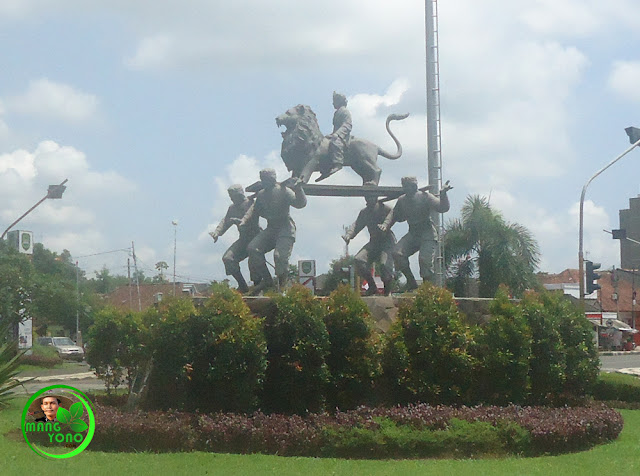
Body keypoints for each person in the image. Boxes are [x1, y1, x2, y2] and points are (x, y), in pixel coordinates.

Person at [240, 169, 307, 294]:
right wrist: (244, 220)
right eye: (263, 179)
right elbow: (254, 209)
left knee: (279, 257)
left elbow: (300, 204)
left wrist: (298, 189)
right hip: (271, 229)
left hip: (285, 228)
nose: (266, 181)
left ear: (273, 178)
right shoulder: (261, 194)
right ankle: (267, 280)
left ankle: (282, 287)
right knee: (252, 249)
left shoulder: (284, 191)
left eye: (268, 179)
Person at [379, 177, 452, 290]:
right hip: (413, 233)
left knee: (425, 261)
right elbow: (393, 214)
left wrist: (443, 194)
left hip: (427, 234)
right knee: (397, 253)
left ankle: (427, 289)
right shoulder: (402, 200)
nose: (406, 188)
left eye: (408, 186)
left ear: (414, 186)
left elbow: (443, 208)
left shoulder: (425, 196)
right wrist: (385, 224)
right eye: (404, 186)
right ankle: (411, 281)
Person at [210, 184, 261, 293]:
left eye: (233, 196)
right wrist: (217, 233)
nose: (231, 198)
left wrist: (238, 221)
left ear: (239, 194)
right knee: (228, 258)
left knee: (254, 263)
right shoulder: (232, 208)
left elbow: (250, 217)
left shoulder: (251, 203)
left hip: (256, 238)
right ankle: (242, 286)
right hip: (243, 240)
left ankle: (258, 288)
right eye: (230, 196)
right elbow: (225, 221)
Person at [343, 195, 396, 295]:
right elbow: (357, 225)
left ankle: (387, 291)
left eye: (371, 195)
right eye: (367, 196)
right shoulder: (365, 212)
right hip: (374, 242)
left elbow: (395, 215)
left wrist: (386, 225)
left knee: (385, 265)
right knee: (359, 260)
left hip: (387, 241)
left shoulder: (385, 208)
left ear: (376, 196)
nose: (369, 199)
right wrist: (349, 235)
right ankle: (372, 287)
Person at [318, 91, 352, 181]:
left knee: (335, 143)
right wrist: (332, 134)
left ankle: (338, 163)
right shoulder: (337, 113)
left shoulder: (345, 111)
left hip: (343, 136)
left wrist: (337, 134)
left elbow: (347, 125)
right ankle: (326, 167)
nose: (333, 103)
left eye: (335, 101)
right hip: (336, 134)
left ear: (340, 101)